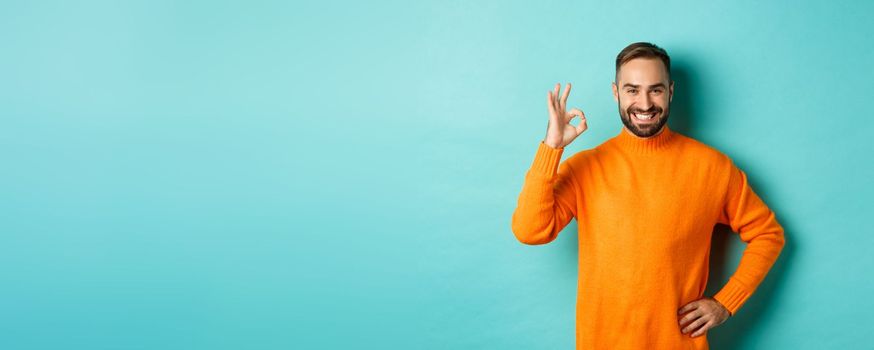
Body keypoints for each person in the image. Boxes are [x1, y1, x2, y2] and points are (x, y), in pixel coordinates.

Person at [510, 42, 786, 349]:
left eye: (655, 90)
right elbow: (530, 231)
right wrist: (552, 148)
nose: (644, 103)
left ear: (671, 91)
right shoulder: (585, 168)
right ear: (616, 93)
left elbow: (768, 234)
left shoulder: (712, 167)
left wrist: (726, 303)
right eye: (632, 90)